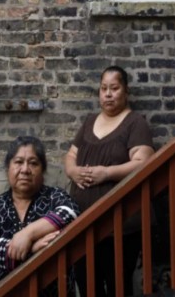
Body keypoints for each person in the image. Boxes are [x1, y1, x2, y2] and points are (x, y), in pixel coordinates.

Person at [65, 65, 155, 297]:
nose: (108, 94)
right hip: (82, 223)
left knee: (117, 286)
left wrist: (106, 173)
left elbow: (143, 163)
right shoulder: (89, 121)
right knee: (86, 286)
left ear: (125, 91)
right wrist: (73, 171)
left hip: (120, 226)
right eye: (103, 88)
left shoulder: (135, 123)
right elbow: (71, 155)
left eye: (114, 88)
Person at [0, 136, 80, 296]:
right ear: (8, 168)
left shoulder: (54, 197)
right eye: (18, 162)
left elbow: (70, 212)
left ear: (42, 170)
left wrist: (28, 234)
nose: (25, 169)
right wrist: (32, 249)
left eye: (33, 163)